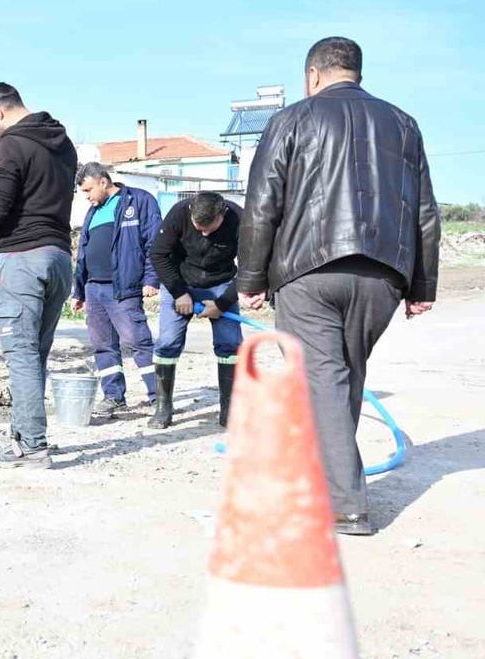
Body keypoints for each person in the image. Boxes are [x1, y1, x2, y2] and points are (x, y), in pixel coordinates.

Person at [237, 37, 440, 536]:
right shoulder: (403, 124)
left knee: (323, 383)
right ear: (356, 72)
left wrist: (251, 278)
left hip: (309, 271)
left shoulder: (291, 119)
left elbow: (262, 202)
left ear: (312, 75)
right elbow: (425, 213)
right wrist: (422, 284)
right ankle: (327, 486)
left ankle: (346, 506)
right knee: (342, 379)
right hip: (382, 275)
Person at [0, 81, 77, 468]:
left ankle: (33, 445)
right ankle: (23, 439)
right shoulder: (62, 143)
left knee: (21, 355)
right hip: (59, 257)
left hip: (22, 259)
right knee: (34, 355)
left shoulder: (11, 144)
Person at [71, 162, 162, 419]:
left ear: (102, 181)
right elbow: (83, 252)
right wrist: (79, 291)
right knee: (103, 346)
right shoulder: (92, 212)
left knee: (139, 342)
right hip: (94, 289)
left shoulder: (138, 201)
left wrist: (152, 279)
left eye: (88, 190)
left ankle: (158, 397)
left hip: (123, 289)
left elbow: (154, 241)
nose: (87, 197)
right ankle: (113, 397)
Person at [148, 191, 243, 429]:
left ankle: (229, 411)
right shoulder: (179, 213)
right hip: (180, 281)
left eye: (210, 228)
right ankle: (163, 408)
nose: (204, 234)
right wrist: (179, 292)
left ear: (222, 213)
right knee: (168, 342)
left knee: (230, 345)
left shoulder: (239, 219)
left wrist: (222, 303)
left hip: (221, 283)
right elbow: (158, 255)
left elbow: (253, 265)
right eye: (199, 228)